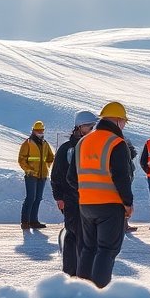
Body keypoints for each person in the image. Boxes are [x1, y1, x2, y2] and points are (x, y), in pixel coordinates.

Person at [76, 101, 134, 288]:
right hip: (110, 205)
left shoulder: (83, 142)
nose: (124, 125)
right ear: (117, 120)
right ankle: (99, 293)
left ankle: (81, 291)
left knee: (88, 249)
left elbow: (71, 177)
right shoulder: (116, 142)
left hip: (86, 206)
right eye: (124, 121)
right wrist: (127, 203)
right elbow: (121, 176)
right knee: (106, 250)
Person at [53, 110, 96, 276]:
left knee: (87, 236)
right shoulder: (66, 149)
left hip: (89, 199)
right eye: (88, 126)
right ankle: (71, 272)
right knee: (73, 234)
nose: (92, 129)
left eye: (93, 126)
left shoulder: (92, 147)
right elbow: (56, 174)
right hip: (71, 199)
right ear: (79, 127)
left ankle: (84, 270)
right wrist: (59, 197)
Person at [18, 121, 55, 230]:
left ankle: (34, 221)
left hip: (42, 175)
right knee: (30, 198)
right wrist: (29, 170)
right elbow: (21, 159)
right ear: (33, 131)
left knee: (38, 198)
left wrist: (47, 165)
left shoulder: (45, 143)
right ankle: (25, 221)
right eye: (38, 130)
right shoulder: (28, 143)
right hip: (31, 175)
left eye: (42, 130)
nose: (40, 132)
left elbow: (50, 157)